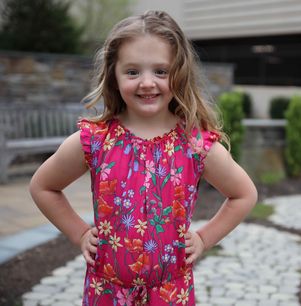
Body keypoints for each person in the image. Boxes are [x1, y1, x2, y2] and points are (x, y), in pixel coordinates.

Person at [29, 10, 257, 306]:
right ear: (114, 74)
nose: (147, 82)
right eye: (133, 71)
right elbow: (43, 186)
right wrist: (80, 233)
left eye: (160, 71)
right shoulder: (96, 140)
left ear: (179, 73)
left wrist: (204, 238)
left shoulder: (194, 144)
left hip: (170, 293)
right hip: (107, 293)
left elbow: (244, 194)